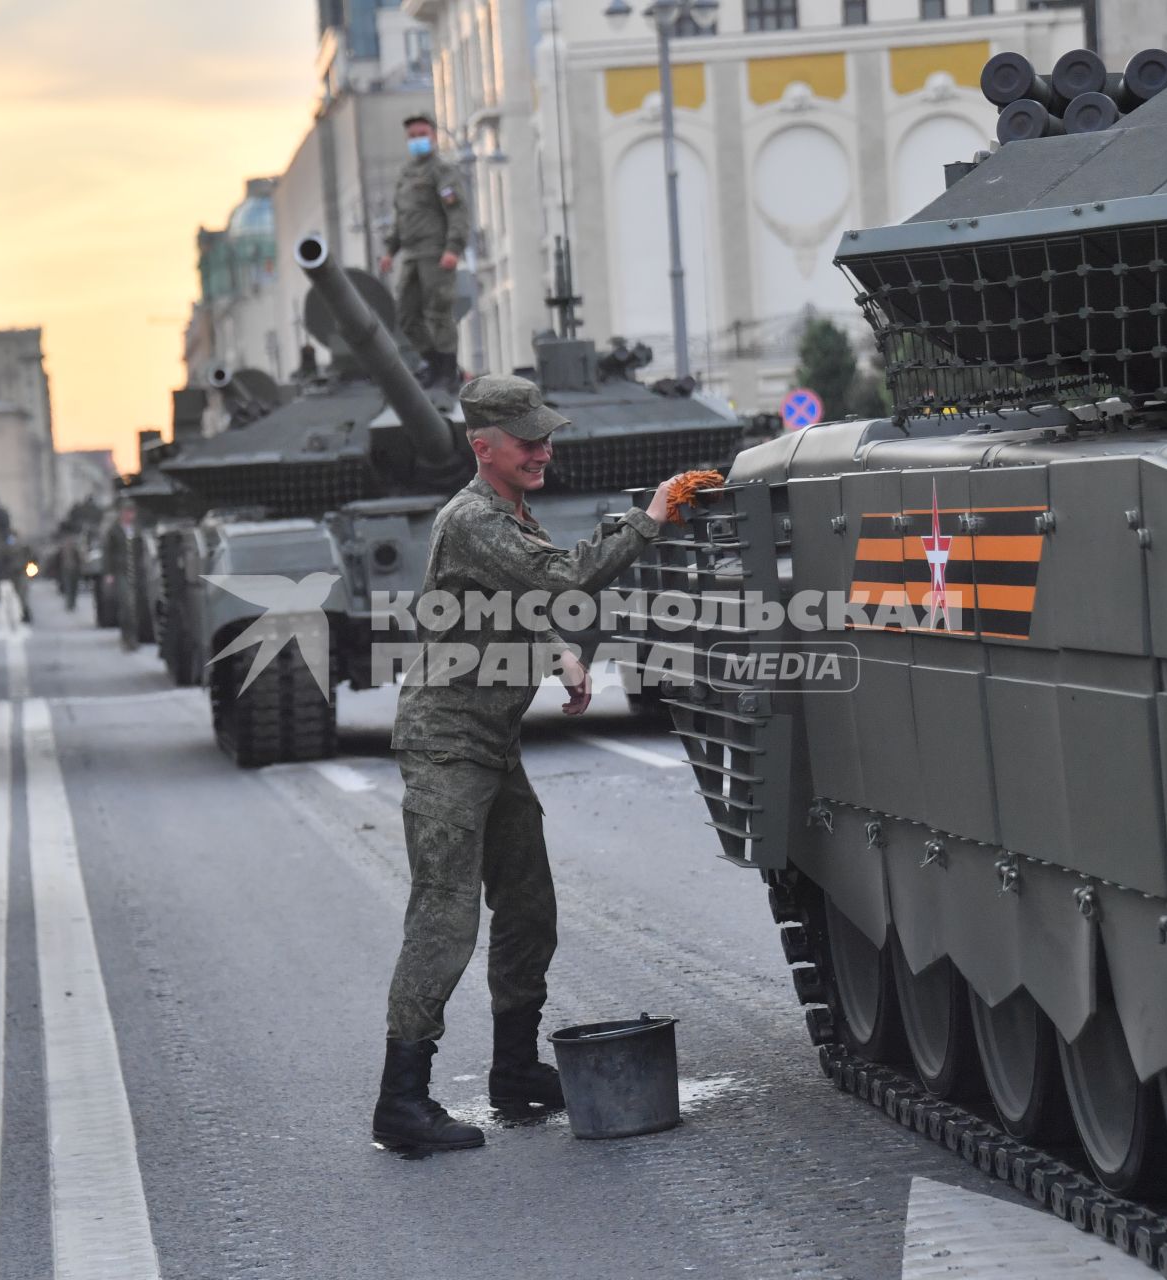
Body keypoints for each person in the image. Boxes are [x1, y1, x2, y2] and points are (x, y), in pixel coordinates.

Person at [370, 373, 691, 1153]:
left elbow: (522, 601)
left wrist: (560, 659)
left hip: (490, 740)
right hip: (449, 742)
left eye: (547, 435)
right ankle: (401, 1102)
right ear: (484, 448)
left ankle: (513, 1074)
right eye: (527, 440)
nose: (543, 450)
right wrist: (652, 518)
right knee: (444, 919)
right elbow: (567, 578)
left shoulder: (509, 510)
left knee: (528, 908)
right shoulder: (473, 517)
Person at [378, 114, 470, 391]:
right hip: (412, 255)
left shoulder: (442, 172)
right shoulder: (405, 175)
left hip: (436, 253)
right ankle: (433, 362)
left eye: (422, 134)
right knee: (406, 315)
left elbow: (457, 212)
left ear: (433, 136)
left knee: (438, 312)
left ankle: (448, 369)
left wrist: (453, 248)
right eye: (412, 136)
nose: (417, 139)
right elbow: (401, 218)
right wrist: (389, 251)